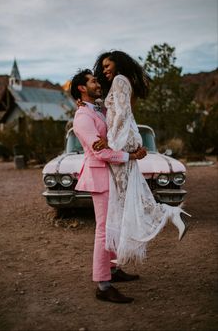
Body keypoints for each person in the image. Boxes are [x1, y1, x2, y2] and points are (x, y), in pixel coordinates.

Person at [93, 50, 191, 265]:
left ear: (118, 65)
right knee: (128, 195)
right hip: (124, 139)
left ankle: (171, 213)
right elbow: (114, 110)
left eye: (108, 66)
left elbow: (122, 113)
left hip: (120, 141)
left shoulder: (120, 80)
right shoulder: (123, 81)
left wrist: (110, 141)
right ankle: (125, 247)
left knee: (125, 195)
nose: (104, 70)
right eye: (103, 67)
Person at [71, 69, 147, 303]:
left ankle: (113, 270)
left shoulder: (100, 110)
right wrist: (130, 157)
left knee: (114, 225)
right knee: (103, 230)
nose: (97, 83)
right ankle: (103, 286)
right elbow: (101, 151)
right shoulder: (83, 117)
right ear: (82, 89)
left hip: (111, 176)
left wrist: (132, 148)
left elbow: (115, 134)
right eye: (92, 81)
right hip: (100, 177)